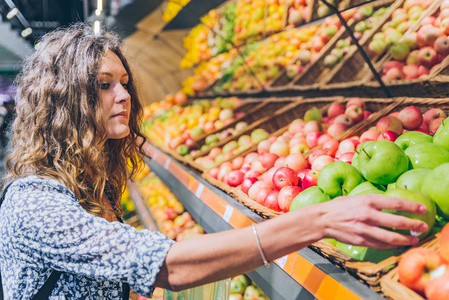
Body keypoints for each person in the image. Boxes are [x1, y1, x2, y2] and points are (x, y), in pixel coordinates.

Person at [0, 23, 428, 299]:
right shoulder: (35, 205)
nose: (125, 95)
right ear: (64, 102)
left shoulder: (93, 183)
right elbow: (167, 266)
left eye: (125, 83)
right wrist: (317, 220)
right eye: (104, 85)